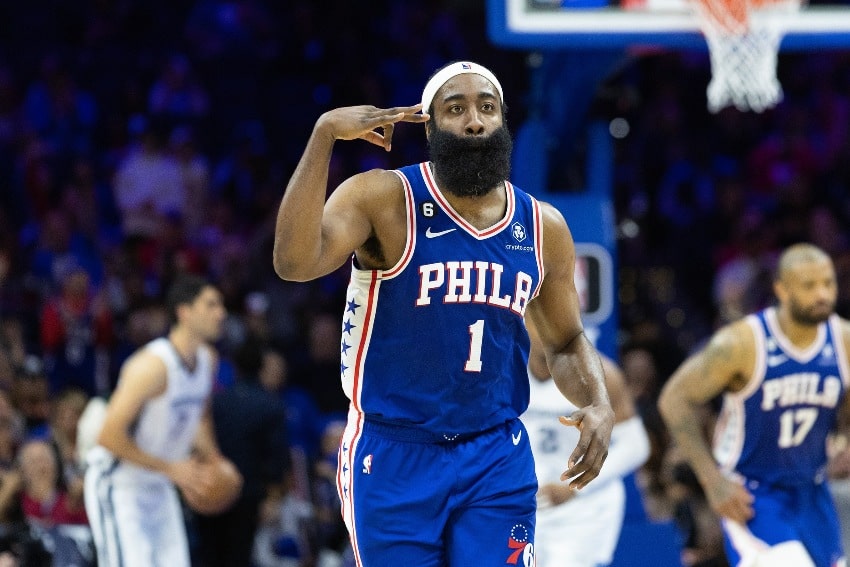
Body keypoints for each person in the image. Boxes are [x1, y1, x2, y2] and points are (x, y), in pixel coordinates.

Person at [272, 60, 615, 565]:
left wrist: (599, 402)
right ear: (429, 126)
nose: (474, 120)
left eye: (487, 107)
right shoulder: (384, 198)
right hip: (393, 452)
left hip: (494, 453)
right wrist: (324, 135)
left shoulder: (544, 228)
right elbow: (294, 262)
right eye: (456, 109)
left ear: (502, 122)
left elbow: (564, 342)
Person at [658, 243, 850, 567]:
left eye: (828, 283)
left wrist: (843, 438)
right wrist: (712, 481)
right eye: (809, 285)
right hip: (753, 494)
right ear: (782, 289)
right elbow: (674, 399)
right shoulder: (742, 343)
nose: (822, 294)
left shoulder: (843, 340)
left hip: (813, 492)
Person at [83, 274, 227, 567]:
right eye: (211, 305)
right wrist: (172, 468)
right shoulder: (151, 366)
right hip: (119, 483)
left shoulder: (208, 360)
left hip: (159, 484)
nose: (221, 313)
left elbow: (198, 420)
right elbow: (108, 436)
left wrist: (215, 461)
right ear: (184, 312)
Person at [522, 322, 650, 567]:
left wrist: (573, 485)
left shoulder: (600, 374)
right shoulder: (506, 368)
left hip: (584, 508)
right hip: (529, 503)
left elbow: (636, 445)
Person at [193, 338, 290, 567]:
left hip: (211, 489)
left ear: (234, 366)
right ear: (261, 367)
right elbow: (277, 460)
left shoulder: (216, 403)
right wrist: (273, 498)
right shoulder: (271, 406)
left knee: (207, 556)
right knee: (239, 558)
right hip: (248, 496)